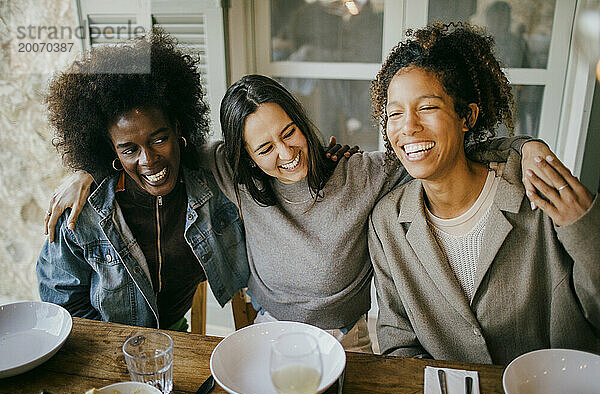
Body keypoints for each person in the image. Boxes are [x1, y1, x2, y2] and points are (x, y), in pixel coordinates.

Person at [45, 72, 555, 352]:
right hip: (268, 330)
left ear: (302, 121)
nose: (285, 154)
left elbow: (434, 149)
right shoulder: (230, 174)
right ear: (244, 157)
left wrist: (521, 146)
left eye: (288, 132)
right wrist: (90, 170)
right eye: (264, 148)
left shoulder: (363, 173)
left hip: (355, 337)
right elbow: (149, 156)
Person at [368, 22, 599, 364]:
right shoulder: (387, 223)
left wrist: (585, 227)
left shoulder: (535, 190)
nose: (408, 127)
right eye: (395, 113)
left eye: (428, 107)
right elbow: (397, 341)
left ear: (467, 116)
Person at [36, 31, 251, 330]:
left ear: (178, 128)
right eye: (130, 149)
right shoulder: (80, 212)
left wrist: (326, 159)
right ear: (111, 151)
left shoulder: (213, 184)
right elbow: (60, 307)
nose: (148, 159)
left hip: (177, 335)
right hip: (106, 347)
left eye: (159, 139)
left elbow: (274, 164)